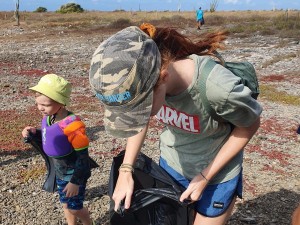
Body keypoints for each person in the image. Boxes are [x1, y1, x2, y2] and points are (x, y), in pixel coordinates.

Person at [89, 23, 262, 225]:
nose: (137, 115)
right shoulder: (150, 75)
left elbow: (250, 125)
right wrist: (126, 170)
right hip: (172, 167)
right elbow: (139, 120)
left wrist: (205, 177)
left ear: (162, 78)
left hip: (217, 177)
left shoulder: (218, 89)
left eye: (139, 108)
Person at [21, 74, 94, 225]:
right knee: (65, 203)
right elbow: (52, 135)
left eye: (45, 105)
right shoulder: (50, 118)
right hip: (60, 172)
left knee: (75, 208)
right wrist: (35, 133)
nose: (40, 108)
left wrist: (75, 182)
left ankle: (88, 222)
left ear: (61, 102)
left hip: (74, 174)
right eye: (38, 104)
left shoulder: (73, 126)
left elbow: (83, 158)